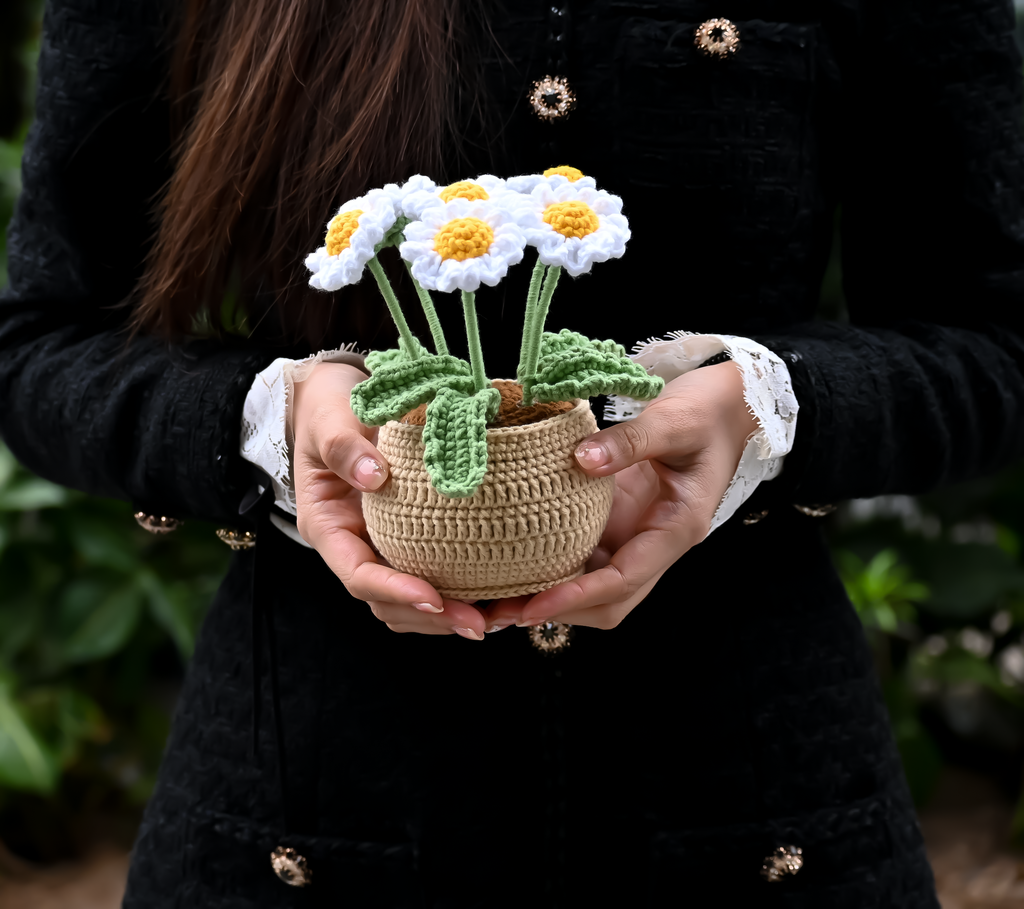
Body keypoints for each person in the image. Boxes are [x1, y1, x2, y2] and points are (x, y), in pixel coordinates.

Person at [3, 0, 1023, 905]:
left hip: (758, 807)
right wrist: (270, 418)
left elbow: (993, 340)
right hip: (306, 815)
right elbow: (42, 346)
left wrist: (769, 406)